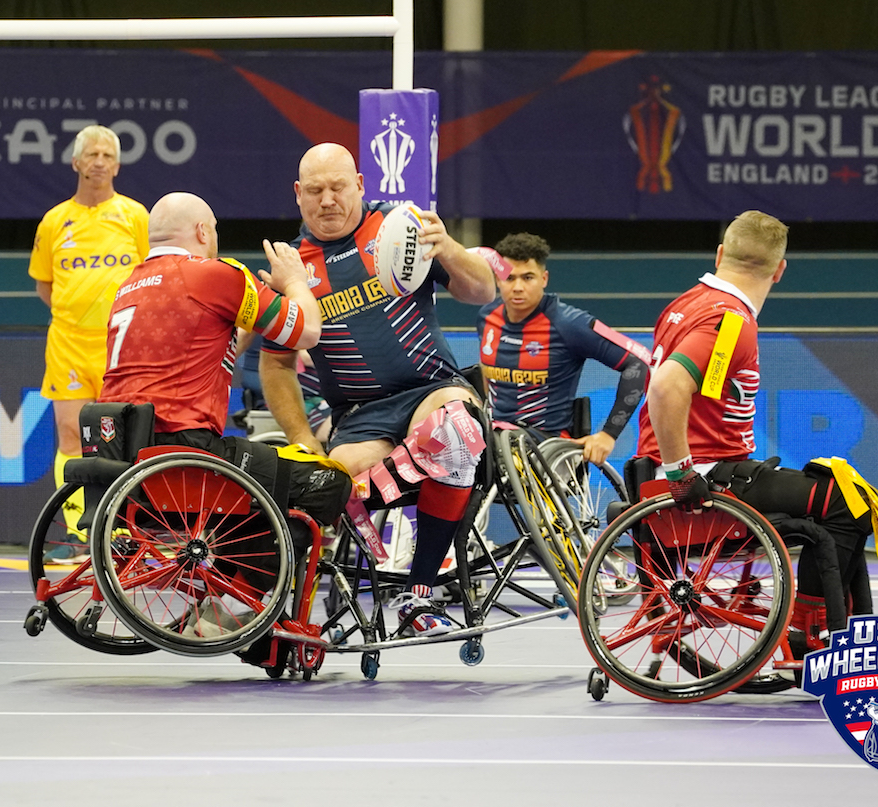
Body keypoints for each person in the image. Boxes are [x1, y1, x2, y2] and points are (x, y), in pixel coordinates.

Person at [636, 210, 878, 642]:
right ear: (780, 270)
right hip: (705, 481)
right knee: (846, 501)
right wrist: (680, 475)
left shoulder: (688, 303)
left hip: (707, 470)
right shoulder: (730, 322)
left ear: (721, 253)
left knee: (840, 492)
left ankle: (842, 629)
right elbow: (667, 388)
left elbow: (697, 388)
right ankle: (809, 630)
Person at [260, 143, 497, 637]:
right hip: (359, 416)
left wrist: (448, 246)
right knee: (326, 485)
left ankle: (420, 595)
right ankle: (281, 613)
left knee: (451, 431)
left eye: (339, 187)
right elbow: (277, 364)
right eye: (317, 191)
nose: (328, 200)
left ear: (362, 185)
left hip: (430, 390)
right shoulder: (292, 268)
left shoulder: (400, 228)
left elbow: (482, 293)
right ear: (298, 196)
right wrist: (303, 438)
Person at [97, 191, 351, 640]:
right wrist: (295, 282)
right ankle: (236, 607)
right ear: (202, 232)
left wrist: (257, 308)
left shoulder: (129, 284)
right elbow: (308, 331)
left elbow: (215, 345)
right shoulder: (216, 274)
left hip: (127, 464)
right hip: (188, 457)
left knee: (263, 487)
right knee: (325, 483)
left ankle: (228, 603)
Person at [29, 125, 149, 529]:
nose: (99, 162)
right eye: (91, 155)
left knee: (126, 440)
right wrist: (77, 313)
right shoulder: (54, 221)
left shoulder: (135, 216)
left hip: (123, 344)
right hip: (68, 344)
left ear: (117, 165)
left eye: (107, 155)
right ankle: (79, 531)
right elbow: (44, 286)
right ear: (75, 162)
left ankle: (123, 528)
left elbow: (154, 275)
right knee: (70, 433)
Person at [477, 232, 650, 464]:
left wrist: (608, 435)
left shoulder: (570, 323)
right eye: (509, 278)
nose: (517, 287)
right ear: (498, 280)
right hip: (493, 439)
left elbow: (638, 363)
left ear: (544, 279)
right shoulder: (487, 318)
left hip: (547, 448)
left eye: (528, 277)